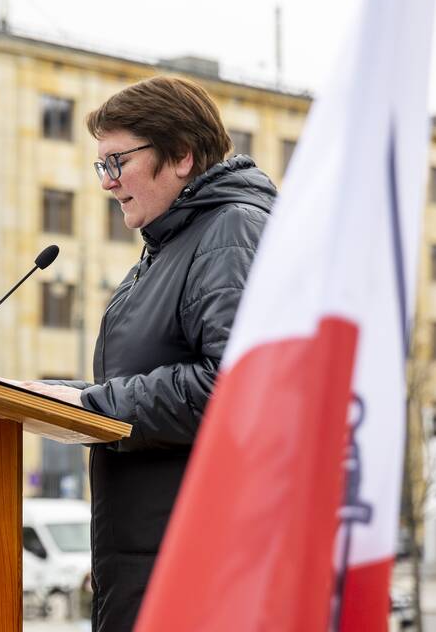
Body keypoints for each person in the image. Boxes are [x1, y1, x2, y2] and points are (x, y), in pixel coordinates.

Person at [15, 76, 276, 632]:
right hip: (150, 560)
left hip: (195, 568)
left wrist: (91, 404)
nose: (107, 183)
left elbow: (234, 389)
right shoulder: (168, 246)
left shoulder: (230, 231)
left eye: (117, 161)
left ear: (181, 155)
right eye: (100, 166)